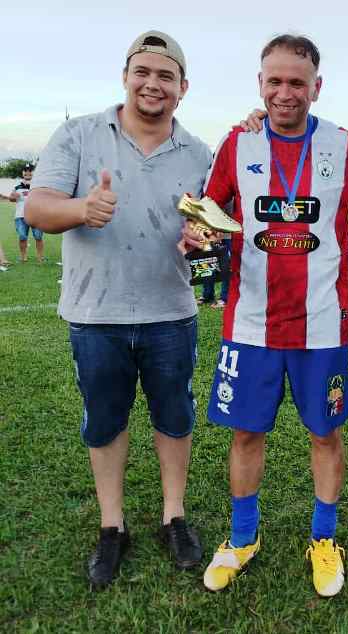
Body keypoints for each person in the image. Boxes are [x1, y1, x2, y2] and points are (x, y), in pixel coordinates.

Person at [180, 34, 348, 598]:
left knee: (325, 432)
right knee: (246, 433)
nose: (285, 92)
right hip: (250, 326)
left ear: (317, 86)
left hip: (322, 325)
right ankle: (243, 538)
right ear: (260, 84)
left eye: (297, 82)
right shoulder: (236, 145)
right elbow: (208, 217)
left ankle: (324, 538)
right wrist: (196, 237)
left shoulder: (345, 145)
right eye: (275, 81)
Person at [25, 30, 212, 589]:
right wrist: (82, 207)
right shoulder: (79, 134)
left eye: (166, 75)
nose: (153, 84)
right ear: (126, 77)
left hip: (170, 312)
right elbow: (36, 205)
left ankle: (173, 516)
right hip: (95, 313)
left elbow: (208, 227)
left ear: (183, 87)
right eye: (143, 72)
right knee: (105, 420)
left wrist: (199, 238)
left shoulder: (199, 154)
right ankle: (113, 526)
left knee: (173, 417)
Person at [10, 163, 45, 262]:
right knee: (22, 237)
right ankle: (23, 257)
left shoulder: (39, 185)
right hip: (20, 216)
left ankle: (40, 257)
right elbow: (11, 198)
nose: (28, 172)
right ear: (23, 172)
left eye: (30, 170)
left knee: (38, 236)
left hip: (36, 216)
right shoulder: (17, 186)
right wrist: (12, 197)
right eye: (26, 170)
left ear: (33, 172)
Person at [197, 235, 231, 308]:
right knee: (207, 265)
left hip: (226, 237)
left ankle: (224, 298)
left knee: (225, 267)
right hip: (207, 236)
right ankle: (207, 295)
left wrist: (219, 237)